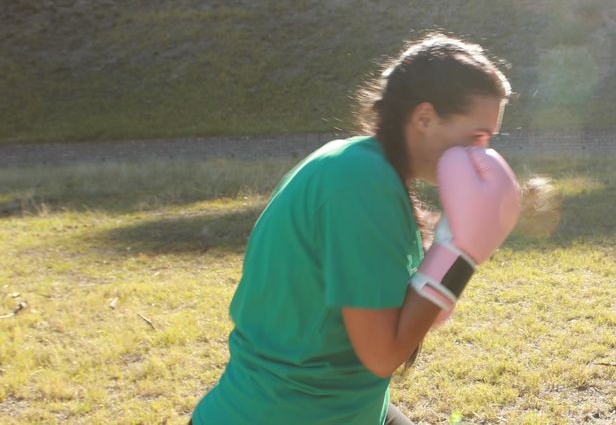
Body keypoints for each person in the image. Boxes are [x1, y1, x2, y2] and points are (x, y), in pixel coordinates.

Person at [192, 34, 521, 424]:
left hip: (340, 408)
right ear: (424, 118)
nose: (481, 153)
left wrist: (452, 246)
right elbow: (383, 354)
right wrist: (460, 255)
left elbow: (407, 312)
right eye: (476, 136)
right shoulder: (361, 182)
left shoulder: (363, 165)